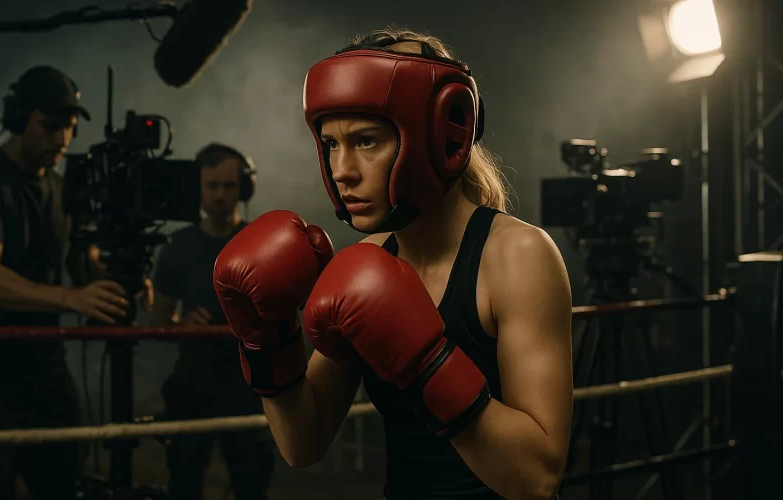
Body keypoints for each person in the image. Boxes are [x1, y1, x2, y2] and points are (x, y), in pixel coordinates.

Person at [213, 28, 573, 499]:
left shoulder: (517, 257)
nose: (342, 169)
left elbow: (536, 478)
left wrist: (425, 364)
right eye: (331, 145)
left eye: (366, 141)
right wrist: (266, 339)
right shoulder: (366, 266)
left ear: (441, 138)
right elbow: (303, 442)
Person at [0, 66, 144, 500]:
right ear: (20, 117)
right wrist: (71, 297)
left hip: (46, 364)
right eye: (51, 126)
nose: (62, 139)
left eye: (70, 128)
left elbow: (84, 262)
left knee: (63, 483)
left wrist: (117, 282)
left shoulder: (64, 189)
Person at [150, 143, 274, 500]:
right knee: (184, 483)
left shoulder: (261, 243)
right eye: (212, 186)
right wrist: (180, 324)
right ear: (198, 189)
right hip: (193, 385)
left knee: (251, 484)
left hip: (249, 385)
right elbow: (159, 320)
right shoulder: (177, 245)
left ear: (243, 189)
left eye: (229, 186)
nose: (220, 195)